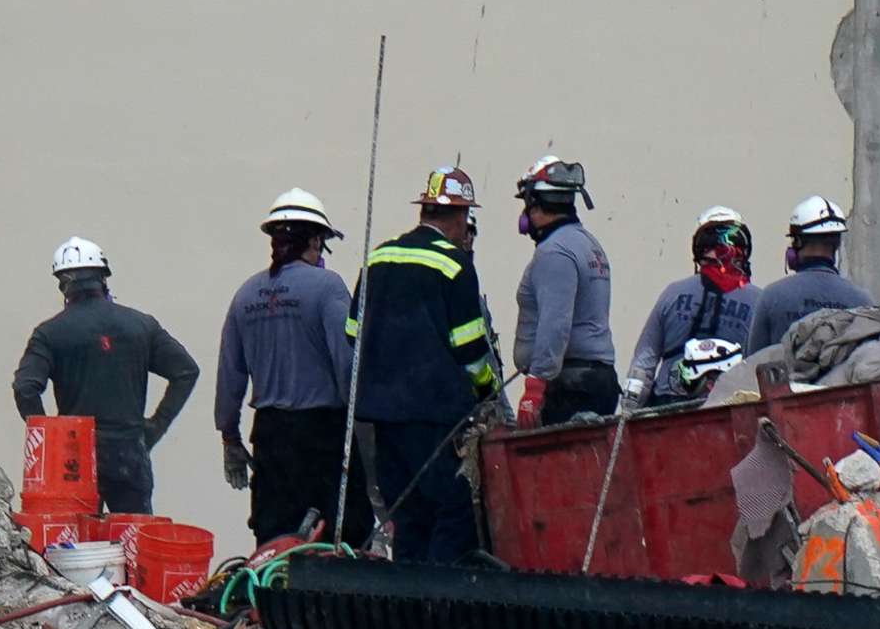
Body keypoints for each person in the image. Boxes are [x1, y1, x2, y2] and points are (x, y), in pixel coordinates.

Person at [350, 168, 500, 565]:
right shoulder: (453, 265)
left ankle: (406, 605)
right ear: (459, 216)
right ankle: (436, 602)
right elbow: (471, 350)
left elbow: (352, 334)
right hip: (434, 416)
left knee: (406, 513)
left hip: (381, 416)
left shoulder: (377, 259)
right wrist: (488, 393)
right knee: (454, 509)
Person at [214, 190, 373, 545]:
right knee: (342, 534)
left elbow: (229, 375)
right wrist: (361, 421)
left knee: (275, 538)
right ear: (315, 239)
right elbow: (347, 362)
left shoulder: (246, 295)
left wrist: (229, 437)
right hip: (323, 435)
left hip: (270, 437)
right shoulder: (327, 287)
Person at [10, 237, 199, 514]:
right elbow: (186, 370)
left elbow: (25, 389)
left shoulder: (50, 333)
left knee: (77, 548)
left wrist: (55, 438)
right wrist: (157, 425)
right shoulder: (141, 325)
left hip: (75, 456)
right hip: (130, 450)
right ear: (103, 278)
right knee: (134, 544)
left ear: (63, 284)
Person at [510, 156, 617, 426]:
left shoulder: (554, 252)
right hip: (594, 380)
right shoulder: (587, 244)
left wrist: (534, 389)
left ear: (535, 203)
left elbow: (555, 324)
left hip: (571, 386)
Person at [624, 207, 759, 406]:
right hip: (729, 410)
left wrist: (630, 413)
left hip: (667, 409)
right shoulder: (759, 301)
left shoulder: (672, 293)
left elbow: (643, 364)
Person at [746, 195, 873, 350]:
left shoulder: (772, 297)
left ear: (798, 241)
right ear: (837, 244)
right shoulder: (862, 302)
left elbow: (751, 365)